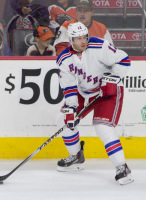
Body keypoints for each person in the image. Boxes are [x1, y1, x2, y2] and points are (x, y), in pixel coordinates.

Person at [56, 22, 133, 185]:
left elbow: (124, 60)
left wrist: (111, 78)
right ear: (71, 40)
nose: (83, 41)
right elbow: (69, 85)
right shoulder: (64, 59)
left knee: (102, 127)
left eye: (85, 37)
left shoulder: (100, 46)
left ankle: (122, 167)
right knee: (64, 119)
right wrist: (70, 108)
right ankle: (76, 156)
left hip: (109, 91)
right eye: (78, 38)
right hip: (86, 91)